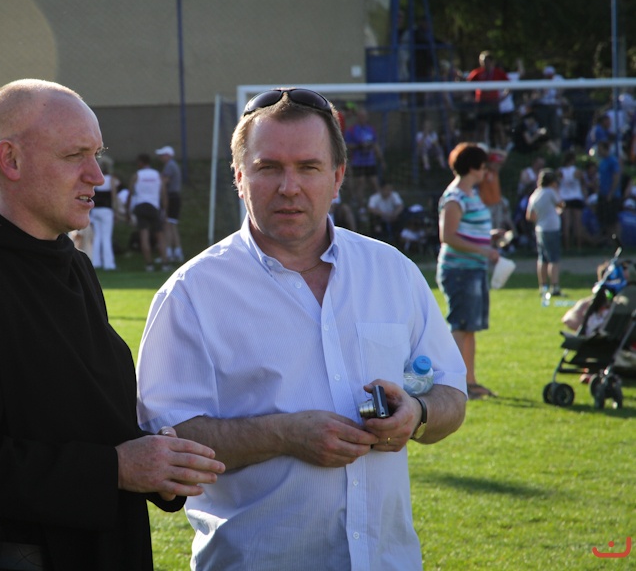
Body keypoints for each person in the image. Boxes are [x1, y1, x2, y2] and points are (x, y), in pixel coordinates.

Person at [0, 79, 224, 570]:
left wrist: (156, 461)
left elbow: (80, 415)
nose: (97, 175)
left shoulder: (73, 266)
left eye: (97, 154)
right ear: (10, 160)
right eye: (75, 156)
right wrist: (115, 469)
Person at [136, 87, 467, 570]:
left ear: (337, 177)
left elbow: (452, 394)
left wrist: (416, 413)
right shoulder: (191, 294)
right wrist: (284, 434)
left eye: (308, 167)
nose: (289, 187)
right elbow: (168, 441)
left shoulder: (391, 271)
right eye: (269, 167)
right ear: (239, 177)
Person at [437, 142, 501, 400]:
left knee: (470, 328)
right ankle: (453, 384)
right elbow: (448, 236)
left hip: (474, 269)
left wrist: (489, 237)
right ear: (473, 168)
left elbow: (466, 231)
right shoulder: (455, 197)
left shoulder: (471, 194)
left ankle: (470, 382)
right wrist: (484, 250)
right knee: (460, 327)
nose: (486, 171)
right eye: (484, 166)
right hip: (459, 271)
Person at [127, 153, 169, 271]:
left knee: (144, 236)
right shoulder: (157, 175)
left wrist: (127, 210)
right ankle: (165, 263)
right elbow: (163, 194)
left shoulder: (137, 175)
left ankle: (149, 264)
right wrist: (165, 211)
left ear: (141, 162)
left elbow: (130, 193)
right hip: (154, 206)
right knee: (160, 236)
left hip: (140, 206)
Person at [526, 170, 564, 296]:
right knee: (554, 259)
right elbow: (561, 204)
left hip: (540, 228)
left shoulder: (535, 194)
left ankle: (543, 287)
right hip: (552, 228)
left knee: (542, 258)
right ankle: (555, 286)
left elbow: (530, 216)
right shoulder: (550, 192)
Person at [343, 107, 385, 208]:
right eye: (361, 116)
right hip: (358, 162)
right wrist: (359, 146)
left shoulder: (371, 129)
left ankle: (380, 206)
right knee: (360, 183)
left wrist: (381, 159)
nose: (363, 118)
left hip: (370, 161)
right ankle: (361, 207)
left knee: (374, 183)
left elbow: (375, 144)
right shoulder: (352, 130)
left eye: (364, 116)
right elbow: (347, 145)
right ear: (357, 117)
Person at [466, 51, 509, 147]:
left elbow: (509, 85)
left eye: (487, 61)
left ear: (492, 61)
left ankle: (503, 147)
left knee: (498, 126)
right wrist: (472, 97)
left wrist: (503, 97)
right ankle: (480, 148)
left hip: (494, 103)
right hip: (482, 103)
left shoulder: (498, 72)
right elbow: (467, 85)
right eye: (482, 61)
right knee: (481, 126)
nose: (485, 63)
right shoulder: (477, 73)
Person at [90, 155, 119, 271]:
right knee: (106, 237)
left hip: (95, 210)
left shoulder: (96, 179)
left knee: (97, 236)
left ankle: (95, 262)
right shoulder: (110, 179)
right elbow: (114, 197)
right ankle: (109, 264)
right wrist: (116, 211)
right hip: (107, 210)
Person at [156, 145, 184, 262]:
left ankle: (168, 253)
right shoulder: (173, 165)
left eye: (162, 155)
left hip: (171, 197)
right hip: (175, 197)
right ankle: (176, 252)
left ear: (168, 155)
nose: (161, 157)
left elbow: (164, 182)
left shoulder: (170, 166)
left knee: (167, 225)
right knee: (172, 225)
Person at [557, 150, 586, 250]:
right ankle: (579, 246)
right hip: (576, 197)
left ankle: (567, 246)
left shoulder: (560, 171)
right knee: (578, 223)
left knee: (566, 223)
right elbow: (583, 183)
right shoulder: (577, 171)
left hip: (564, 198)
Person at [596, 140, 622, 242]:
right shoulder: (602, 162)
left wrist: (611, 192)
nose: (598, 151)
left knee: (613, 220)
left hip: (612, 195)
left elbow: (616, 177)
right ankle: (609, 241)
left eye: (600, 149)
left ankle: (617, 242)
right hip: (603, 194)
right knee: (604, 219)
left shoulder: (612, 161)